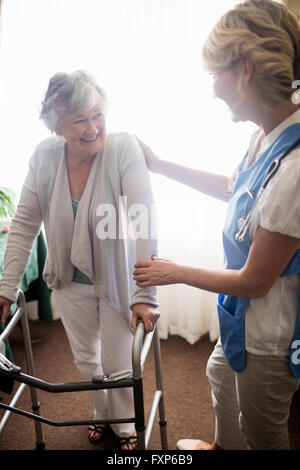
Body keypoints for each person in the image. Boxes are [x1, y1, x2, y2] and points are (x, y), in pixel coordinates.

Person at [134, 0, 300, 450]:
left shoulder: (296, 169)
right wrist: (159, 165)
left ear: (245, 69)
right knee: (217, 374)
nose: (212, 90)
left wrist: (175, 272)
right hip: (239, 317)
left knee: (263, 434)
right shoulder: (266, 134)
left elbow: (255, 281)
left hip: (268, 335)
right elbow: (234, 187)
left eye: (214, 76)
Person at [0, 70, 160, 450]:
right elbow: (24, 224)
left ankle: (125, 427)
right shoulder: (44, 155)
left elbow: (145, 218)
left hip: (118, 278)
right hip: (68, 280)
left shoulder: (122, 148)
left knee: (119, 364)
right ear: (57, 126)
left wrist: (145, 292)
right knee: (87, 361)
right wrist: (6, 289)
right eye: (79, 120)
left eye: (97, 115)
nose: (92, 127)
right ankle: (101, 414)